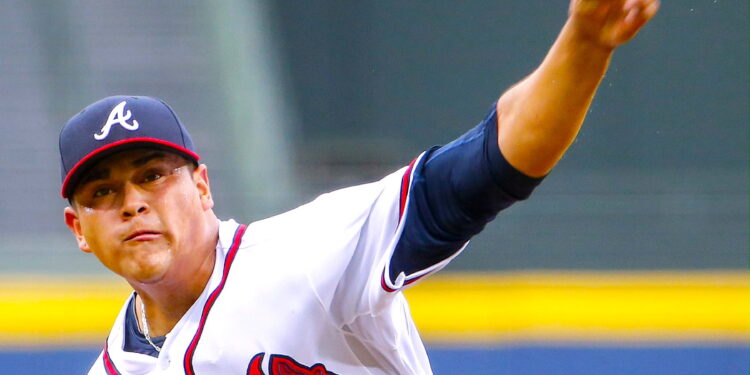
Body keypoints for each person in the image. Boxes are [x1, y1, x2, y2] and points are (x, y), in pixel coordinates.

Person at [60, 1, 659, 374]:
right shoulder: (117, 367)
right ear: (79, 229)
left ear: (202, 185)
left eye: (152, 175)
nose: (133, 201)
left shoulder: (309, 253)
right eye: (102, 193)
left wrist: (583, 44)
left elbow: (483, 170)